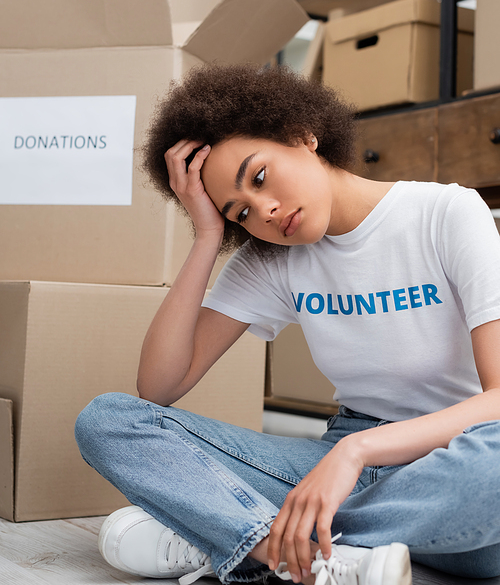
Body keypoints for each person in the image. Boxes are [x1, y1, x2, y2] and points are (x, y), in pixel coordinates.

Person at [75, 62, 500, 585]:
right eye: (241, 213)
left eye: (258, 177)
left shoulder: (446, 213)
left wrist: (356, 450)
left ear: (302, 135)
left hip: (450, 456)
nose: (266, 211)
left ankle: (239, 535)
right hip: (342, 466)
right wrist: (207, 236)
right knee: (108, 419)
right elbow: (159, 386)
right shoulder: (272, 258)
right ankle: (318, 555)